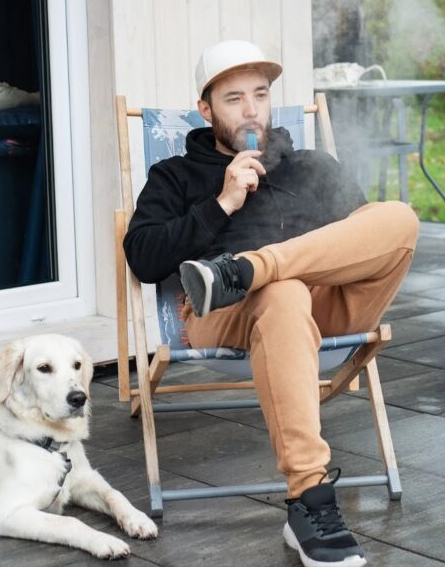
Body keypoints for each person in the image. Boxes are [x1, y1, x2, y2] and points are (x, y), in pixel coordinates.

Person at [123, 39, 419, 567]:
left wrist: (270, 263)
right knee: (281, 294)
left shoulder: (311, 164)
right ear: (206, 109)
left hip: (327, 307)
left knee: (398, 217)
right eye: (234, 98)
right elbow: (144, 258)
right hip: (224, 314)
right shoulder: (176, 175)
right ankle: (309, 500)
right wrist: (222, 203)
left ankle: (249, 268)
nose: (252, 107)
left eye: (260, 94)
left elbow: (364, 242)